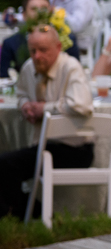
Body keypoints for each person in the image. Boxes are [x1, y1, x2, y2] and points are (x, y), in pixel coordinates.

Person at [0, 25, 94, 220]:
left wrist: (45, 109)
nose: (37, 56)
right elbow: (22, 94)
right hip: (43, 146)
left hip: (74, 149)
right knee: (7, 165)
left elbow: (82, 105)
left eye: (43, 50)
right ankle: (28, 214)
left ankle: (31, 215)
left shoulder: (71, 67)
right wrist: (25, 105)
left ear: (58, 47)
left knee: (6, 165)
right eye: (33, 50)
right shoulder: (28, 67)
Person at [1, 0, 80, 78]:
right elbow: (4, 78)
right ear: (24, 15)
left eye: (44, 8)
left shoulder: (67, 40)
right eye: (34, 9)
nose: (39, 13)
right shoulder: (10, 44)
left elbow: (76, 73)